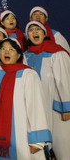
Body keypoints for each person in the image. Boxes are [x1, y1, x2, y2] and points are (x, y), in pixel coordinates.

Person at [0, 38, 51, 160]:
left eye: (11, 49)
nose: (6, 52)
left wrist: (37, 140)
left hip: (23, 136)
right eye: (3, 49)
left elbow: (36, 106)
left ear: (18, 54)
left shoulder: (27, 74)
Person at [25, 21, 70, 160]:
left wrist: (67, 107)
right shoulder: (25, 56)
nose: (35, 32)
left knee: (63, 147)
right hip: (36, 108)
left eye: (38, 29)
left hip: (55, 108)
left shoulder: (56, 52)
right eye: (31, 30)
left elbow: (64, 81)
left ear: (45, 33)